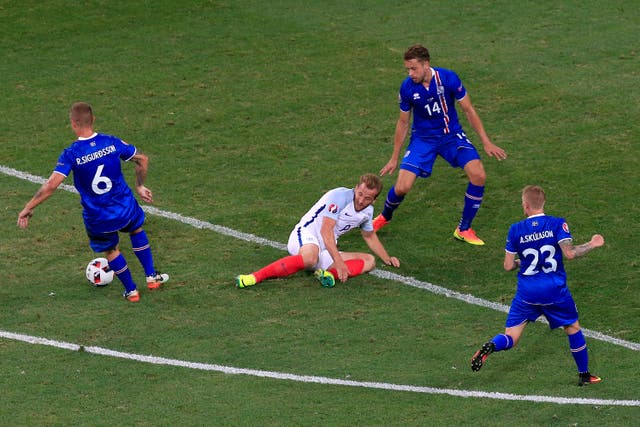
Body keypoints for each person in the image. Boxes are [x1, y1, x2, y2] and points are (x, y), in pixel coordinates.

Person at [17, 102, 169, 302]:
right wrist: (140, 185)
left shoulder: (71, 153)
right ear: (93, 120)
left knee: (111, 250)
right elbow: (142, 159)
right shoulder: (111, 142)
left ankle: (131, 291)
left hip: (98, 216)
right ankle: (151, 277)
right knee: (136, 230)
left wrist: (27, 208)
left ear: (73, 124)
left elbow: (51, 186)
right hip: (124, 205)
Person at [374, 44, 507, 245]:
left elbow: (469, 110)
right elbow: (403, 122)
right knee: (402, 187)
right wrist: (394, 157)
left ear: (426, 64)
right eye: (407, 69)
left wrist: (486, 142)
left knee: (478, 174)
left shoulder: (448, 78)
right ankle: (384, 216)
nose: (410, 73)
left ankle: (463, 229)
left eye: (414, 68)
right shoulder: (407, 88)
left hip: (451, 136)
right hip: (423, 140)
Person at [471, 185, 604, 386]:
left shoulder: (515, 229)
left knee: (511, 336)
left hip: (527, 293)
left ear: (525, 205)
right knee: (573, 328)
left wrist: (520, 262)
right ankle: (584, 374)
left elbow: (508, 266)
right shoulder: (557, 224)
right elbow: (569, 253)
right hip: (554, 292)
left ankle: (491, 345)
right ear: (543, 203)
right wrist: (592, 243)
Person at [236, 173, 400, 288]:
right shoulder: (340, 197)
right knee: (310, 258)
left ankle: (329, 275)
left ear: (374, 200)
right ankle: (254, 277)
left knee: (369, 261)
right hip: (306, 235)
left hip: (326, 247)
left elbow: (369, 236)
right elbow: (325, 231)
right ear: (356, 188)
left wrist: (387, 258)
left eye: (367, 198)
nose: (361, 200)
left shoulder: (368, 212)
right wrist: (339, 261)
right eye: (360, 194)